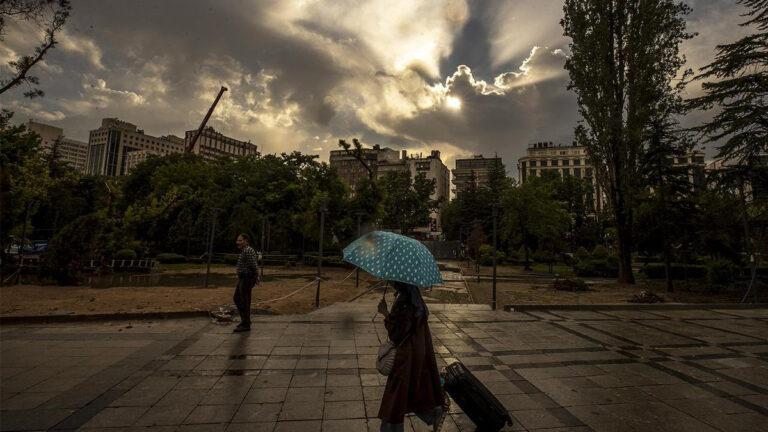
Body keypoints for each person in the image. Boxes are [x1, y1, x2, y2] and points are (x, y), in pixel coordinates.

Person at [377, 281, 446, 432]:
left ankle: (393, 429)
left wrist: (385, 313)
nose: (391, 281)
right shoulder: (415, 297)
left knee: (394, 399)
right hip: (416, 353)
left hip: (405, 356)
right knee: (411, 392)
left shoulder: (405, 300)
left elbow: (397, 332)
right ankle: (433, 413)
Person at [233, 233, 259, 333]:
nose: (238, 242)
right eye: (237, 240)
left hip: (247, 278)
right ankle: (245, 321)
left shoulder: (248, 250)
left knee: (243, 300)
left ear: (246, 241)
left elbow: (253, 265)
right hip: (243, 278)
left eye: (240, 240)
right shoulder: (244, 250)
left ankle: (246, 324)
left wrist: (256, 277)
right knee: (238, 299)